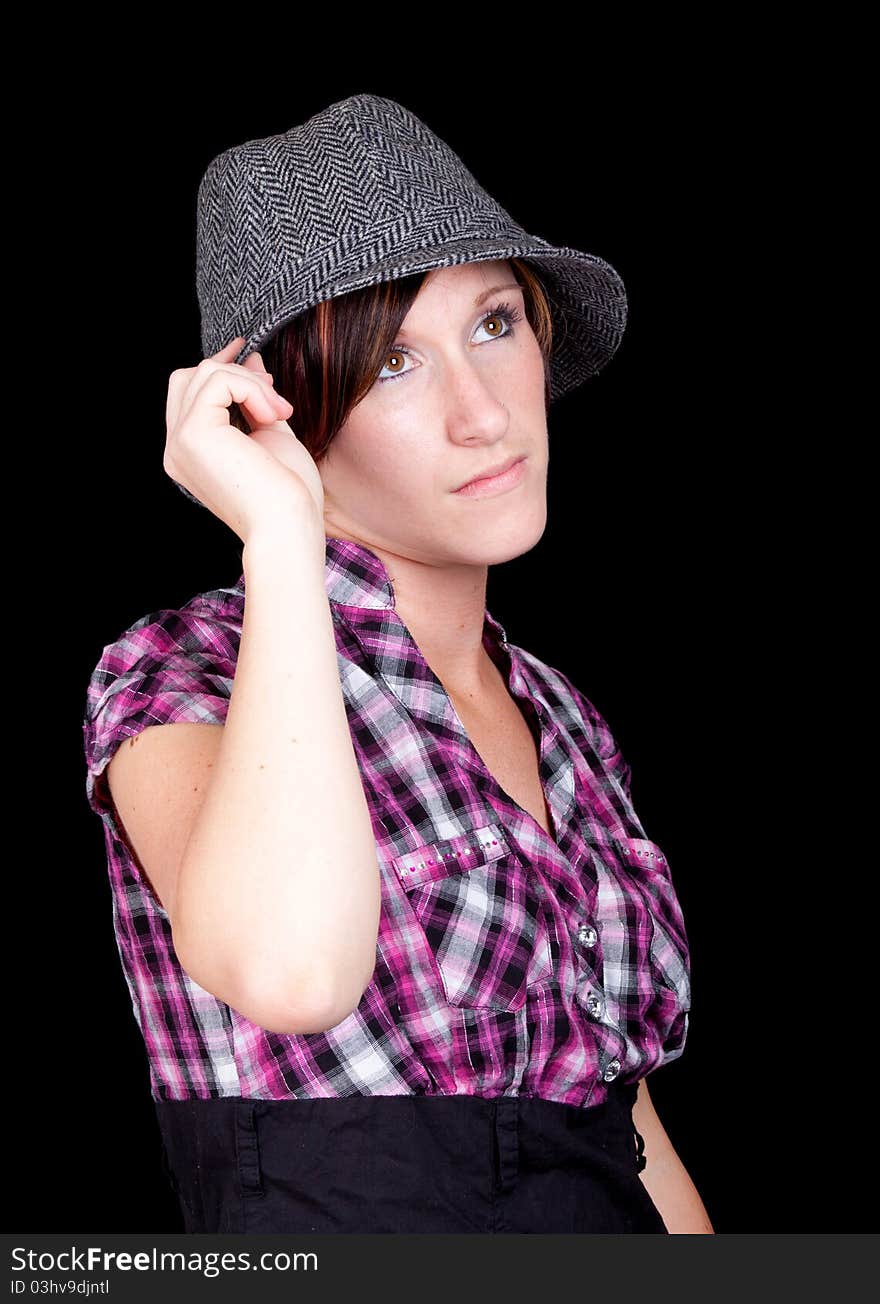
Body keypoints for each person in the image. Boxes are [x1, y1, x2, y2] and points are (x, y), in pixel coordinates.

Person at [81, 93, 714, 1234]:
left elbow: (625, 1121)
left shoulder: (560, 716)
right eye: (389, 367)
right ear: (273, 411)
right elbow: (289, 974)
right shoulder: (183, 675)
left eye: (492, 325)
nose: (483, 415)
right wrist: (278, 534)